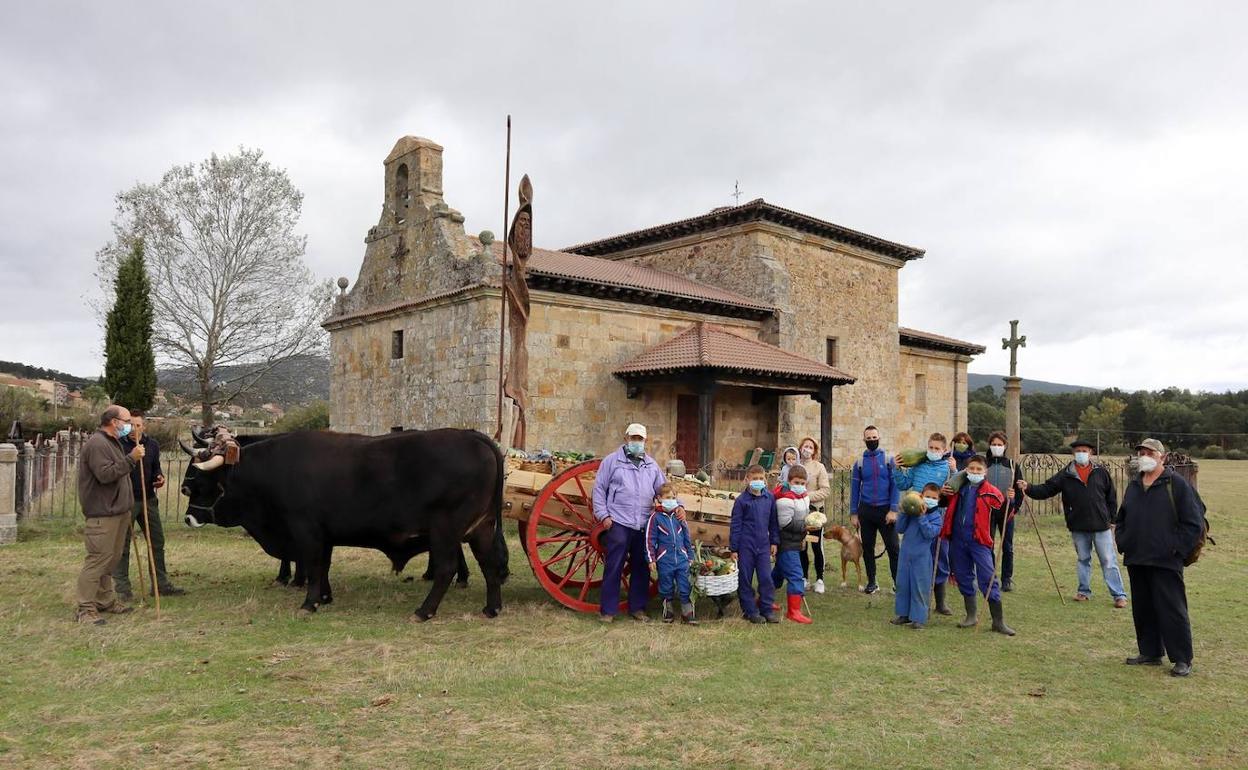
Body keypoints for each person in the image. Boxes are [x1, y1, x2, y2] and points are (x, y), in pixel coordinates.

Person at [1114, 439, 1204, 677]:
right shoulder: (1134, 485)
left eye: (1150, 452)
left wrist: (1176, 550)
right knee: (1143, 609)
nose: (1144, 455)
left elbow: (1193, 523)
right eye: (1141, 452)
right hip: (1137, 558)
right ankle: (1150, 652)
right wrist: (1123, 541)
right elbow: (1121, 517)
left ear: (1162, 457)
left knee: (1172, 609)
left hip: (1165, 560)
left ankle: (1182, 658)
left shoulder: (1177, 484)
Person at [1019, 439, 1127, 607]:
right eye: (1078, 450)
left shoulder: (1101, 473)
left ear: (1091, 453)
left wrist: (1112, 520)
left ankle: (1119, 595)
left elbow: (1111, 498)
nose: (1081, 453)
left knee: (1108, 560)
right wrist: (1028, 487)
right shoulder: (1065, 474)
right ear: (1073, 453)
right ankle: (1083, 591)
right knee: (1083, 559)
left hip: (1101, 526)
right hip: (1078, 525)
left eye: (1084, 450)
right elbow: (1047, 489)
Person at [74, 405, 144, 625]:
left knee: (110, 560)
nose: (130, 425)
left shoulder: (112, 442)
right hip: (103, 514)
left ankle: (105, 601)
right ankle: (85, 609)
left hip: (118, 512)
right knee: (97, 560)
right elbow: (105, 474)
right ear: (114, 422)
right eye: (126, 421)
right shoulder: (97, 443)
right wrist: (131, 458)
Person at [592, 423, 666, 623]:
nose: (636, 442)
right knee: (614, 566)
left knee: (641, 566)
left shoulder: (651, 465)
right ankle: (608, 611)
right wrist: (604, 516)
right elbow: (599, 489)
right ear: (626, 439)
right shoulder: (611, 462)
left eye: (640, 439)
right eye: (633, 438)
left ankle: (638, 608)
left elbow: (663, 490)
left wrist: (678, 505)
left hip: (643, 523)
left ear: (645, 441)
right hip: (619, 521)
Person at [940, 454, 1016, 635]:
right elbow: (943, 503)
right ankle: (971, 615)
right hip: (958, 539)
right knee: (963, 575)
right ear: (966, 470)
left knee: (987, 578)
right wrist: (943, 494)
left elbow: (1005, 514)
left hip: (980, 542)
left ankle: (998, 622)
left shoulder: (992, 492)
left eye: (978, 470)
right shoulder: (958, 488)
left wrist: (1010, 501)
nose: (975, 472)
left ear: (985, 472)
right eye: (971, 469)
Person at [113, 413, 186, 600]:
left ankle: (160, 585)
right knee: (123, 545)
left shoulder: (152, 445)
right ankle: (122, 589)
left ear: (143, 427)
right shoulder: (118, 445)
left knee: (157, 542)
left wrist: (159, 477)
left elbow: (156, 468)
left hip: (148, 500)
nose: (133, 429)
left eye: (137, 425)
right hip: (127, 501)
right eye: (130, 425)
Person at [893, 433, 952, 612]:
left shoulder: (947, 468)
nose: (933, 451)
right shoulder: (918, 465)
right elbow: (904, 484)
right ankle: (912, 604)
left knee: (938, 559)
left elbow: (953, 490)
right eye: (931, 447)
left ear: (944, 450)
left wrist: (955, 471)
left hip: (936, 517)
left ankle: (940, 602)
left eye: (937, 448)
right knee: (915, 558)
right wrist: (897, 469)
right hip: (914, 515)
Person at [851, 425, 900, 597]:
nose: (872, 440)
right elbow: (854, 489)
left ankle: (897, 583)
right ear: (864, 439)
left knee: (893, 548)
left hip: (886, 510)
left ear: (879, 437)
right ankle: (872, 582)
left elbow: (895, 486)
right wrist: (853, 513)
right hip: (866, 511)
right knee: (868, 548)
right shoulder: (859, 462)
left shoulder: (888, 459)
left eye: (874, 437)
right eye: (868, 438)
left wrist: (894, 509)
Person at [730, 464, 780, 624]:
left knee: (766, 578)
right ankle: (750, 610)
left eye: (761, 478)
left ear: (765, 480)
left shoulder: (769, 498)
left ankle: (767, 609)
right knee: (745, 578)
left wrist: (774, 541)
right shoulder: (741, 501)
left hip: (763, 545)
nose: (758, 481)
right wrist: (734, 548)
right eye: (754, 479)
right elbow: (736, 525)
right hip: (746, 545)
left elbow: (773, 522)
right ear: (747, 480)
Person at [892, 483, 945, 629]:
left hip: (921, 558)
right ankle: (903, 615)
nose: (930, 499)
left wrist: (922, 517)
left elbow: (929, 533)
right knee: (903, 585)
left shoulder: (936, 518)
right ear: (921, 496)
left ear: (938, 500)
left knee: (919, 586)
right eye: (927, 496)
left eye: (934, 498)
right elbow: (900, 529)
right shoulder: (911, 513)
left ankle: (918, 618)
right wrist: (903, 512)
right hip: (905, 555)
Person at [646, 483, 697, 625]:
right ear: (659, 498)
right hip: (665, 559)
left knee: (684, 583)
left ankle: (687, 612)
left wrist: (690, 556)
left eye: (673, 497)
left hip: (681, 558)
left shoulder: (679, 517)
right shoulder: (655, 518)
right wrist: (652, 559)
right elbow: (649, 540)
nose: (671, 500)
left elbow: (687, 538)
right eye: (668, 497)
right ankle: (668, 609)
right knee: (666, 584)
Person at [771, 465, 813, 624]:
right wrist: (805, 527)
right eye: (796, 481)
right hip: (786, 542)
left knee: (778, 574)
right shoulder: (785, 497)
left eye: (803, 482)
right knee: (796, 575)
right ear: (789, 480)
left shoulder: (803, 495)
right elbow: (785, 523)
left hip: (794, 541)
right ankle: (793, 611)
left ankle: (763, 599)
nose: (800, 485)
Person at [984, 431, 1022, 592]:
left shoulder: (1012, 466)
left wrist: (1015, 506)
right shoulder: (985, 464)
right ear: (989, 445)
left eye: (999, 445)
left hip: (1007, 511)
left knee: (1007, 546)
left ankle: (1007, 579)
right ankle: (990, 576)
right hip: (988, 511)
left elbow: (1019, 491)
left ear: (1005, 446)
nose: (996, 447)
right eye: (994, 444)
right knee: (988, 544)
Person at [796, 436, 831, 593]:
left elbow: (825, 490)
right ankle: (804, 577)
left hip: (814, 512)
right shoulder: (795, 466)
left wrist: (807, 495)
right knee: (801, 546)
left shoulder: (819, 467)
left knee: (816, 546)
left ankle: (820, 578)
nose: (807, 449)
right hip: (798, 512)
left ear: (814, 450)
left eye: (810, 447)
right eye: (805, 446)